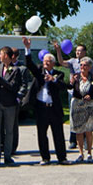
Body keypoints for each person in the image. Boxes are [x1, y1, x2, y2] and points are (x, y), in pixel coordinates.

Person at [23, 37, 68, 165]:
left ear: (53, 63)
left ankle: (62, 158)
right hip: (41, 107)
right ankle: (45, 157)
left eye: (48, 62)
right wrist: (27, 49)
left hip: (54, 108)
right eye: (44, 61)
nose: (46, 63)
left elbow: (62, 86)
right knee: (42, 134)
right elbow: (30, 65)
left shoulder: (58, 74)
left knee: (58, 133)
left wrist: (52, 80)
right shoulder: (40, 72)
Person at [53, 42, 93, 150]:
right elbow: (61, 62)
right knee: (74, 117)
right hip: (73, 93)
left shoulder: (89, 62)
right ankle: (73, 140)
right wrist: (58, 50)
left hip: (85, 93)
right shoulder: (72, 61)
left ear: (85, 52)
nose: (77, 52)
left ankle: (86, 140)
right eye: (76, 50)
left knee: (86, 117)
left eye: (80, 50)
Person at [0, 45, 27, 165]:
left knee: (9, 131)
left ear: (6, 55)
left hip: (10, 104)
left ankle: (8, 156)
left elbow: (12, 87)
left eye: (0, 54)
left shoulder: (16, 70)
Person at [70, 57, 93, 163]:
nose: (82, 67)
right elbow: (70, 88)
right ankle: (80, 153)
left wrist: (91, 96)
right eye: (81, 65)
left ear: (89, 67)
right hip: (77, 105)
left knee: (88, 130)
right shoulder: (76, 77)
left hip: (89, 106)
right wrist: (72, 81)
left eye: (85, 65)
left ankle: (89, 152)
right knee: (79, 131)